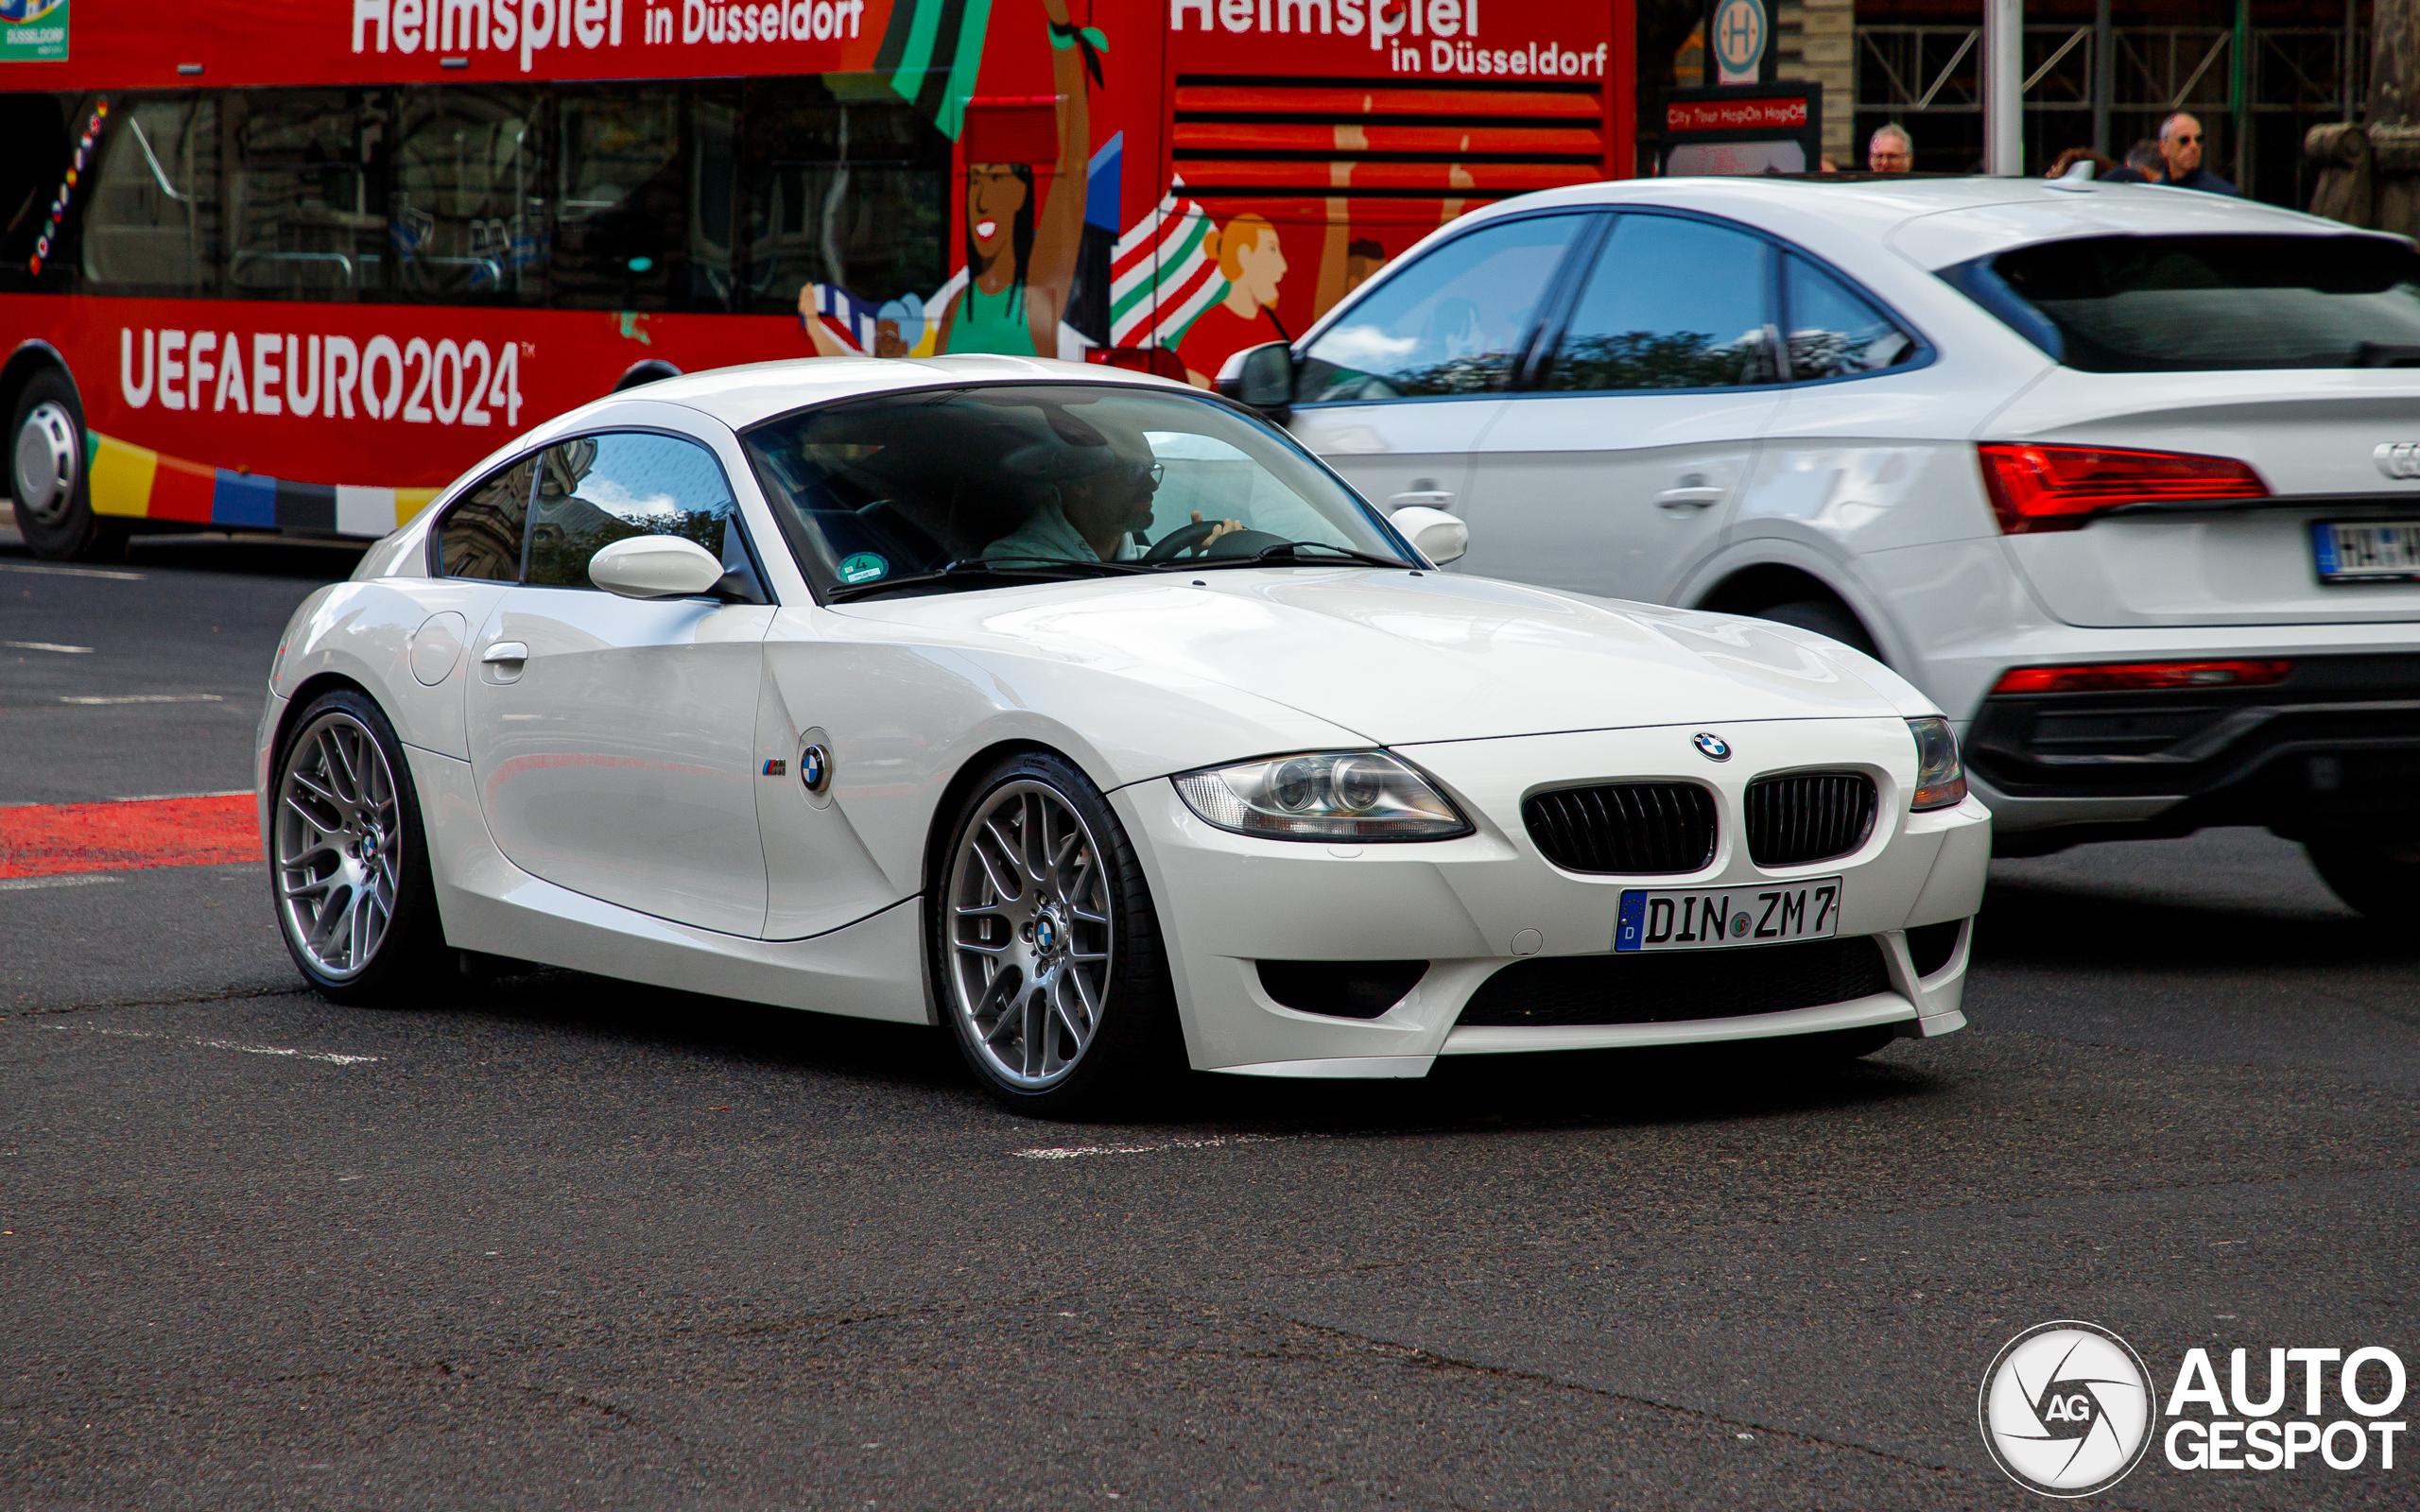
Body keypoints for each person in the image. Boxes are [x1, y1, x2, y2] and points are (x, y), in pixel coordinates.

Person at [1179, 212, 1290, 387]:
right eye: (1271, 249)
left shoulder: (1268, 324)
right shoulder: (1205, 331)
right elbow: (1192, 404)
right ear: (1244, 255)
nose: (1283, 266)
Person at [2155, 112, 2237, 195]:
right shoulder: (2154, 195)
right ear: (2163, 148)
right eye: (2184, 140)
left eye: (2199, 139)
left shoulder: (2222, 195)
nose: (2194, 146)